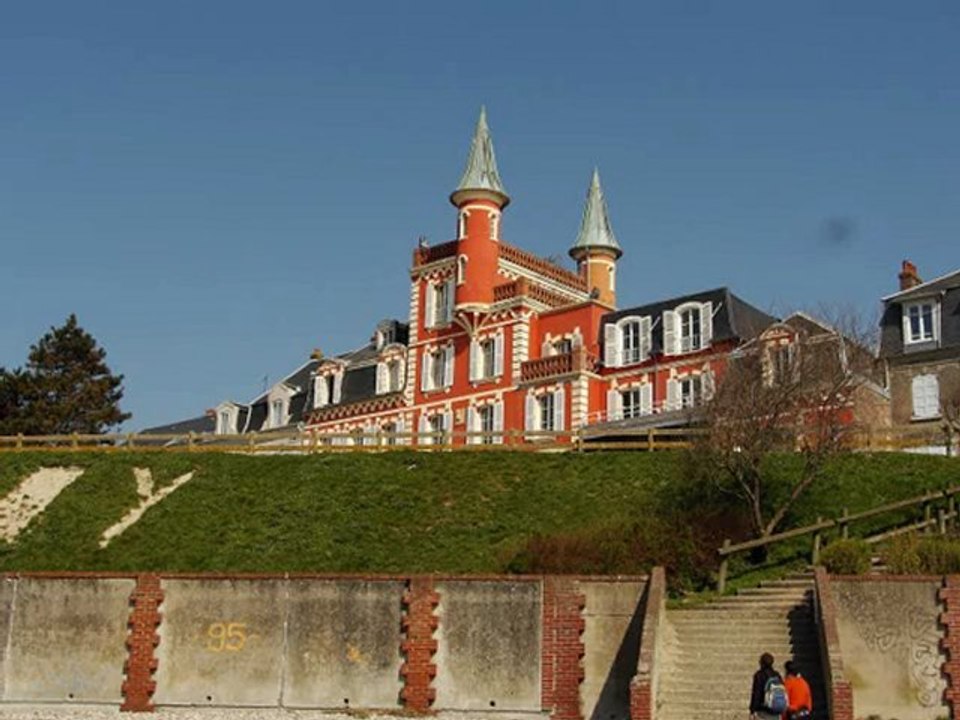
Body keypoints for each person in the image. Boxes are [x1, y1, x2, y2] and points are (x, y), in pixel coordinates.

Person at [750, 652, 786, 720]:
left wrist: (752, 710)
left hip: (763, 710)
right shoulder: (777, 675)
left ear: (761, 663)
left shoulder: (759, 675)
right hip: (775, 710)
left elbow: (756, 693)